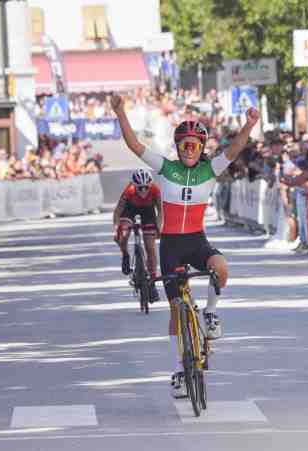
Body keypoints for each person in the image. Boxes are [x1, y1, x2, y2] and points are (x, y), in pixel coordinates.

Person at [111, 93, 260, 399]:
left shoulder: (209, 170)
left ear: (202, 148)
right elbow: (134, 145)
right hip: (171, 247)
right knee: (176, 310)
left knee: (221, 267)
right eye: (184, 145)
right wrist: (120, 112)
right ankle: (181, 368)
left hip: (196, 241)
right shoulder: (165, 168)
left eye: (195, 145)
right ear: (177, 147)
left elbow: (234, 149)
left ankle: (210, 314)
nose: (190, 149)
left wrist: (250, 125)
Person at [113, 168, 162, 303]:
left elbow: (160, 212)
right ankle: (125, 255)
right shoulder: (129, 191)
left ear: (150, 185)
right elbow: (118, 211)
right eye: (139, 188)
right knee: (122, 234)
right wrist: (116, 228)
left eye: (146, 187)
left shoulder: (155, 190)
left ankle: (152, 282)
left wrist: (159, 228)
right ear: (134, 185)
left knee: (150, 247)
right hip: (130, 209)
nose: (143, 190)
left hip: (148, 211)